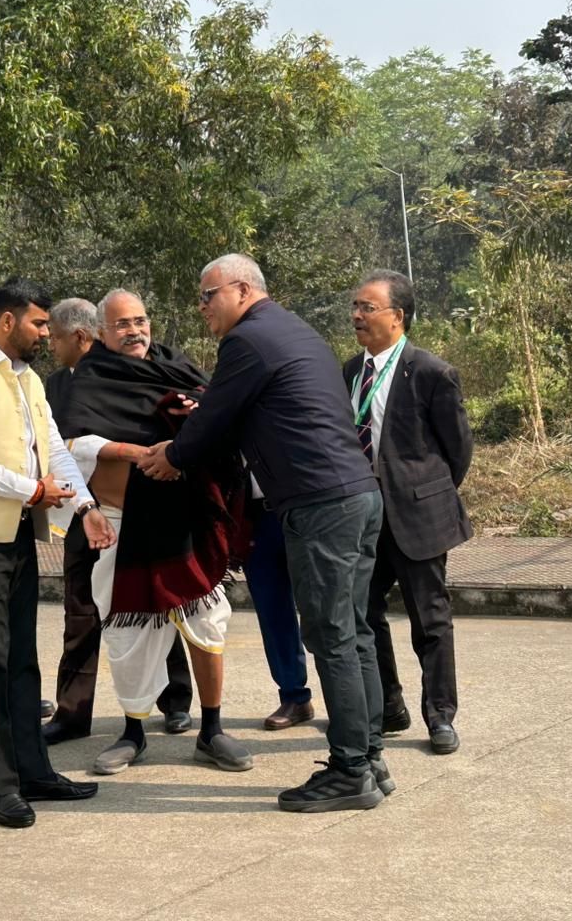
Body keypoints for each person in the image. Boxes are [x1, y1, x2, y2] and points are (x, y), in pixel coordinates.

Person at [139, 254, 393, 813]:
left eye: (208, 296)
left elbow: (216, 419)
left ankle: (350, 769)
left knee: (332, 637)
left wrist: (172, 456)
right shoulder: (292, 330)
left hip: (321, 504)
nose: (202, 307)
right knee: (354, 633)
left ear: (241, 290)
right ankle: (371, 758)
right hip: (356, 495)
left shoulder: (247, 340)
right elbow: (247, 412)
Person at [0, 277, 116, 829]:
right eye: (37, 323)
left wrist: (84, 506)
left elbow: (52, 447)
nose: (44, 333)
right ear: (7, 321)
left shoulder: (26, 377)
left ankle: (34, 771)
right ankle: (2, 787)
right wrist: (32, 491)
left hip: (15, 531)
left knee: (22, 659)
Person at [58, 289, 252, 776]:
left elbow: (218, 415)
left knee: (207, 621)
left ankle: (212, 730)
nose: (134, 331)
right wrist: (132, 451)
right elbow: (71, 444)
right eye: (122, 324)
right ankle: (133, 732)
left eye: (140, 321)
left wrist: (190, 419)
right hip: (123, 524)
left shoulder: (176, 366)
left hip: (186, 518)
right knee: (129, 634)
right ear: (101, 332)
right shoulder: (91, 378)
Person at [41, 298, 194, 745]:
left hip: (148, 509)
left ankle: (175, 701)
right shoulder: (57, 386)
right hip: (83, 509)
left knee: (161, 602)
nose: (51, 346)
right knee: (81, 612)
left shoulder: (153, 370)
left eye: (56, 338)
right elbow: (56, 444)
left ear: (82, 336)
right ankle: (72, 713)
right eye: (122, 324)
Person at [345, 269, 473, 755]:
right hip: (366, 516)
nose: (357, 316)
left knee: (430, 620)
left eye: (367, 307)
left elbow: (457, 452)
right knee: (364, 611)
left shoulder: (431, 373)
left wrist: (422, 494)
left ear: (397, 316)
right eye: (355, 307)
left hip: (419, 517)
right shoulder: (348, 372)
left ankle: (440, 716)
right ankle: (389, 706)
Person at [243, 489, 315, 731]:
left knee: (323, 608)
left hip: (307, 505)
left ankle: (344, 702)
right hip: (255, 514)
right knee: (272, 611)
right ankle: (294, 696)